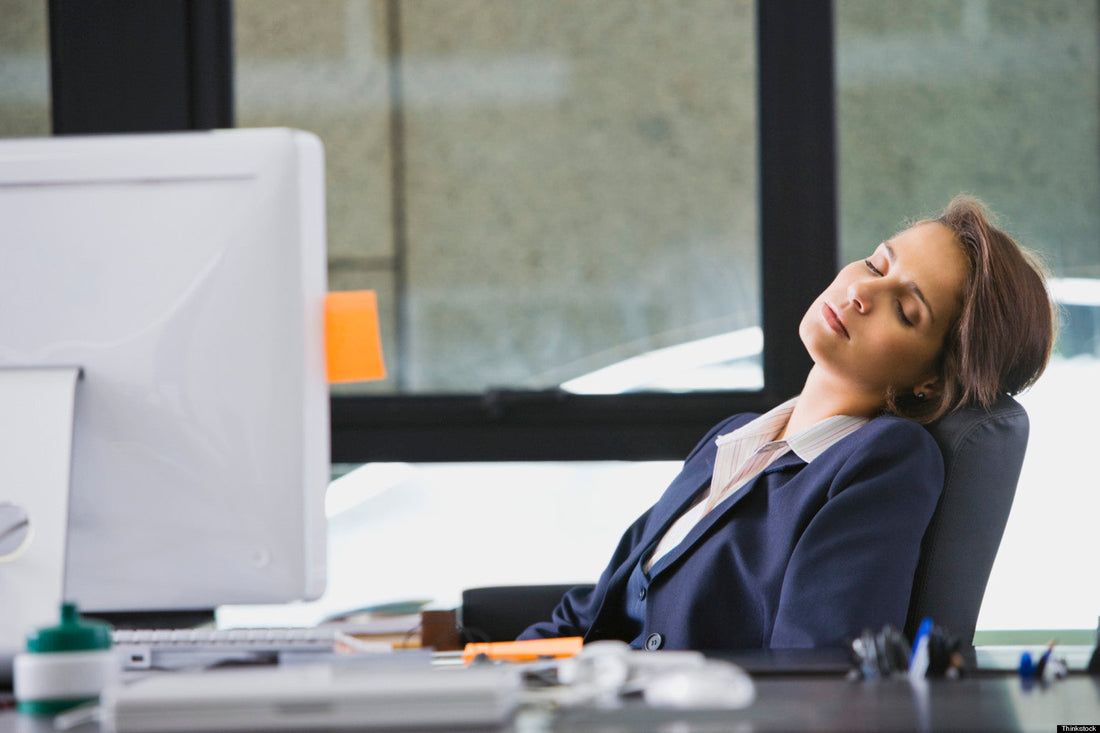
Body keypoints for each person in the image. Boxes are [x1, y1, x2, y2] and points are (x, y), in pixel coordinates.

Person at [518, 195, 1055, 651]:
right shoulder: (733, 439)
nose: (862, 294)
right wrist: (480, 673)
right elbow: (589, 614)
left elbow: (813, 672)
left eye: (906, 310)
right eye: (876, 265)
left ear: (931, 383)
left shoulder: (887, 459)